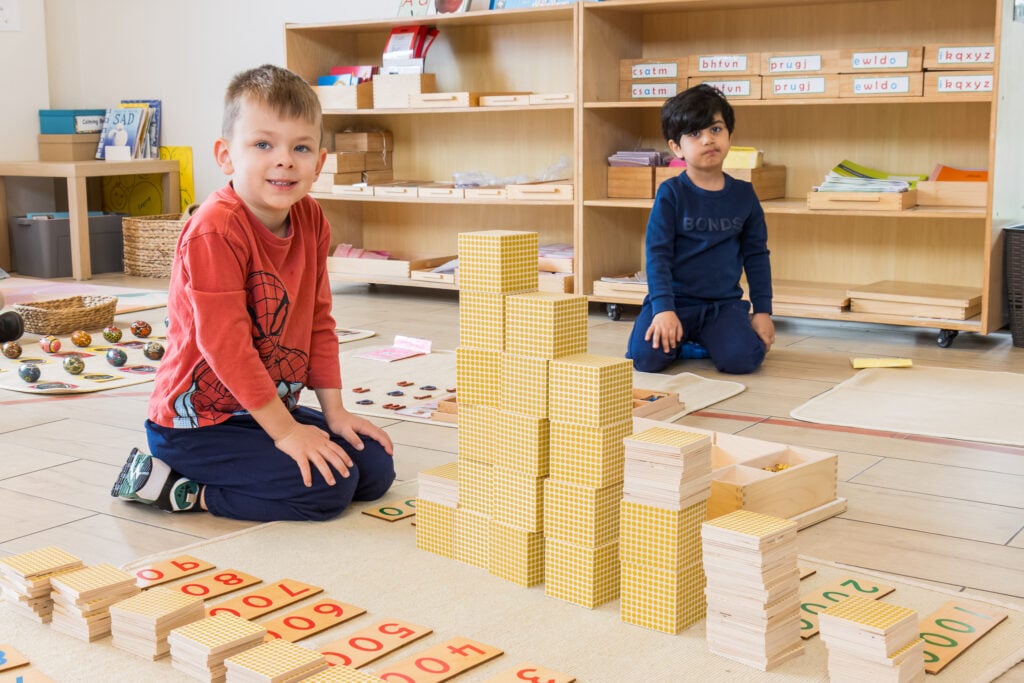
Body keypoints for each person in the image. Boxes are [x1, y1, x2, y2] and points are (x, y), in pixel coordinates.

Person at [111, 64, 395, 522]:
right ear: (225, 156)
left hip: (260, 413)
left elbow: (319, 320)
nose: (284, 160)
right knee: (329, 491)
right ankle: (179, 488)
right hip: (196, 428)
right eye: (263, 144)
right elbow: (226, 347)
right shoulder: (214, 230)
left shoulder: (312, 219)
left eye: (300, 147)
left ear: (319, 163)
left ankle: (278, 445)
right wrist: (287, 434)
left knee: (375, 470)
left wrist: (336, 413)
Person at [626, 84, 774, 375]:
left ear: (729, 134)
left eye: (716, 129)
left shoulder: (744, 195)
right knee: (645, 361)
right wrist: (663, 309)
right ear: (676, 148)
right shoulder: (671, 193)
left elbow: (757, 256)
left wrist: (763, 312)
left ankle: (706, 339)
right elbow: (657, 256)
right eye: (695, 134)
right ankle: (684, 338)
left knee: (743, 360)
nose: (708, 139)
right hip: (674, 302)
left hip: (723, 305)